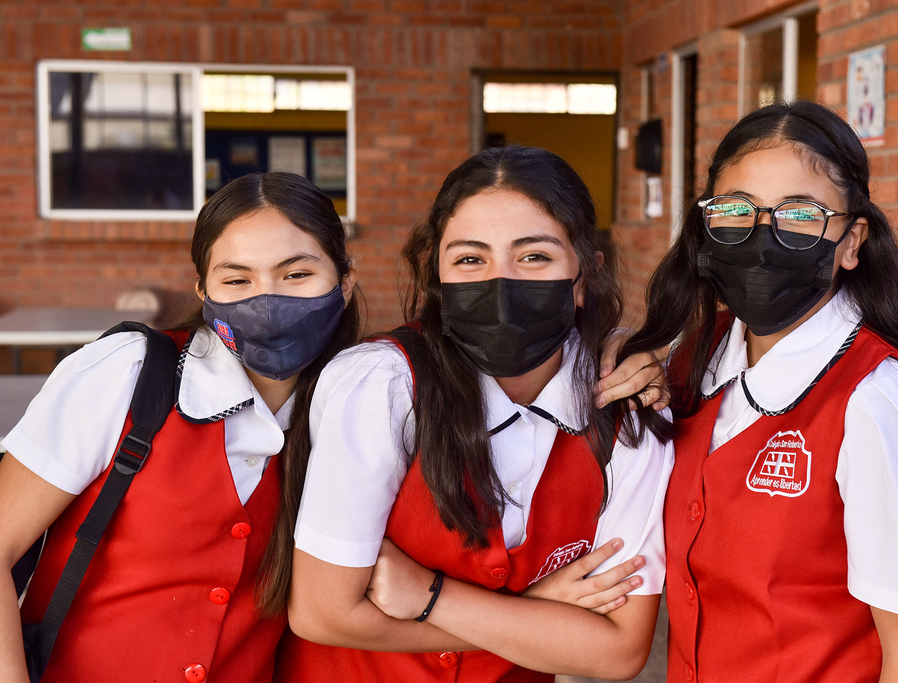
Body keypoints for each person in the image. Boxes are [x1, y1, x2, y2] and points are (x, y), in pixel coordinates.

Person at [619, 100, 898, 682]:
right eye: (737, 211)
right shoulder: (700, 355)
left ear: (850, 240)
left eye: (799, 215)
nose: (763, 237)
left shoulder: (880, 401)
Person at [278, 145, 674, 682]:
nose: (499, 281)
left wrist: (429, 597)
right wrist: (535, 609)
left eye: (534, 256)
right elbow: (322, 614)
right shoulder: (383, 385)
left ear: (583, 276)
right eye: (470, 258)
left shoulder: (627, 411)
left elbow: (619, 652)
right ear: (438, 278)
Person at [0, 171, 359, 683]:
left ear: (345, 283)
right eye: (237, 279)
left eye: (297, 274)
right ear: (204, 292)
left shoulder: (357, 413)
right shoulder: (127, 373)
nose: (267, 300)